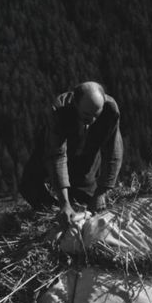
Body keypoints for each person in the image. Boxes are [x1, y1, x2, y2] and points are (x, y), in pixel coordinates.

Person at [20, 81, 123, 225]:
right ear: (75, 103)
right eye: (86, 114)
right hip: (53, 147)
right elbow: (57, 156)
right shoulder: (60, 110)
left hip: (87, 153)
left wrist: (102, 192)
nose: (92, 120)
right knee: (29, 185)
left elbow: (114, 152)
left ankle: (73, 213)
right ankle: (54, 213)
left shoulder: (110, 110)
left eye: (96, 115)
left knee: (85, 198)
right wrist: (64, 204)